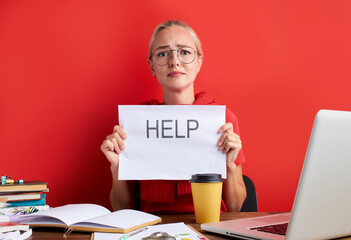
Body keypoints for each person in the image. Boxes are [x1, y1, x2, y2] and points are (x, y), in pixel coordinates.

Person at [101, 20, 247, 213]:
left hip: (207, 228)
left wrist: (228, 165)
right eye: (163, 54)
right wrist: (117, 167)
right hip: (152, 230)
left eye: (185, 52)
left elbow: (235, 208)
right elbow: (123, 209)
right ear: (152, 66)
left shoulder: (223, 120)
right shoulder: (136, 123)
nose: (174, 61)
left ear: (199, 62)